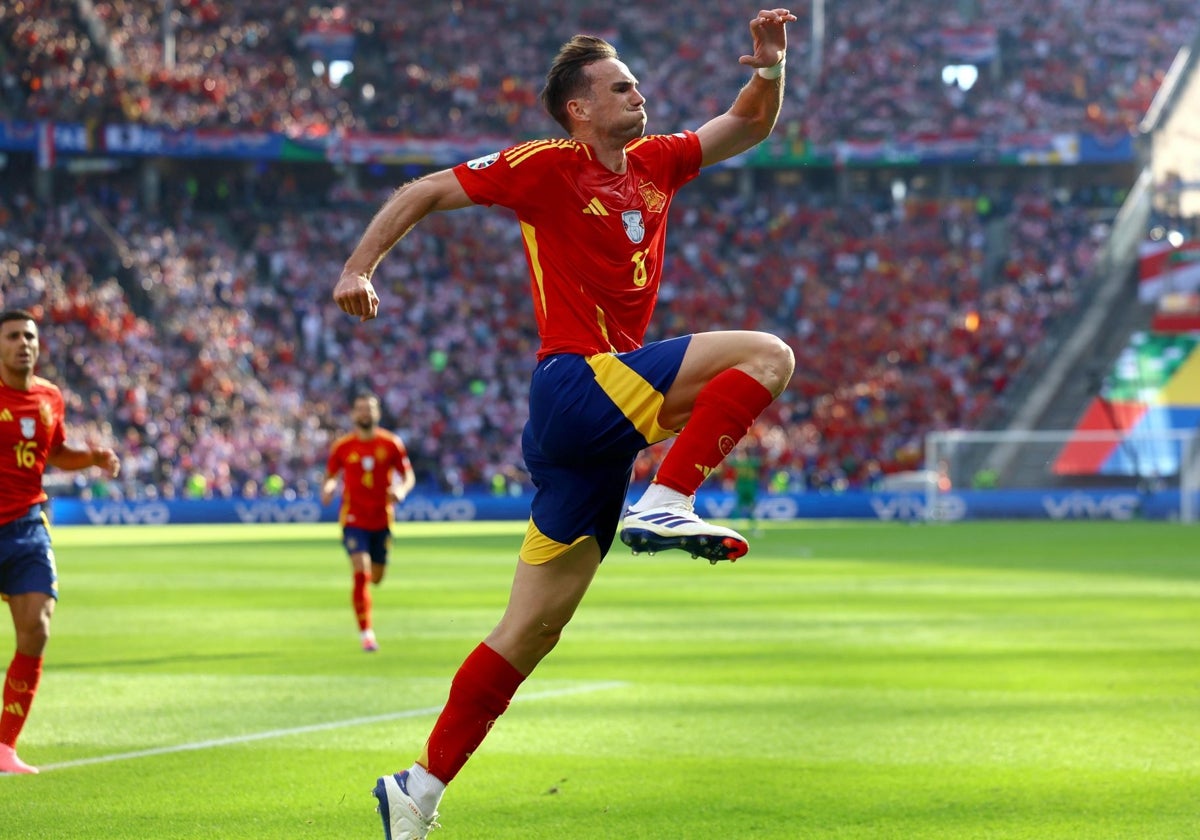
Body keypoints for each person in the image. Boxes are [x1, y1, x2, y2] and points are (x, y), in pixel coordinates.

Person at [332, 10, 796, 838]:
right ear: (578, 108)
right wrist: (358, 268)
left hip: (597, 433)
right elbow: (424, 191)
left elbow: (749, 124)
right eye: (620, 85)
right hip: (573, 386)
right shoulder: (545, 165)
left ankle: (417, 792)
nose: (638, 93)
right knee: (765, 357)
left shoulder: (657, 162)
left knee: (533, 628)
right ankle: (669, 500)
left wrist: (769, 67)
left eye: (637, 83)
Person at [0, 310, 120, 774]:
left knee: (38, 628)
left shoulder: (50, 396)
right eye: (11, 337)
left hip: (28, 524)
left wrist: (91, 457)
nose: (22, 344)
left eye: (28, 336)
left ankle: (5, 746)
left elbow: (56, 453)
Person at [320, 391, 416, 653]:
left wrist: (401, 491)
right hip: (353, 518)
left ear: (377, 413)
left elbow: (407, 476)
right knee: (361, 573)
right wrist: (328, 488)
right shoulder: (342, 446)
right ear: (353, 414)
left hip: (382, 518)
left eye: (369, 409)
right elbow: (330, 476)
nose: (365, 413)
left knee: (376, 577)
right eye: (360, 409)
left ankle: (366, 620)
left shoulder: (391, 443)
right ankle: (367, 634)